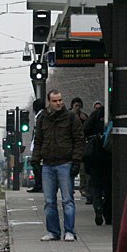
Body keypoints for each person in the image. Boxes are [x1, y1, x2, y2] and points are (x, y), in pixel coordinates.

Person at [32, 89, 84, 242]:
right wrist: (35, 160)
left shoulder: (70, 118)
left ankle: (69, 231)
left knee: (67, 200)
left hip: (65, 163)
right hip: (48, 164)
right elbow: (38, 140)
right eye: (55, 101)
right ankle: (53, 232)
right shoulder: (42, 119)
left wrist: (76, 161)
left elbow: (78, 140)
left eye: (60, 100)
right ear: (49, 102)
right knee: (49, 201)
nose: (58, 103)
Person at [83, 104, 111, 226]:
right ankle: (108, 214)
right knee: (110, 187)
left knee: (95, 186)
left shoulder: (97, 114)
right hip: (111, 157)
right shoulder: (118, 114)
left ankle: (98, 206)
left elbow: (84, 130)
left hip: (96, 157)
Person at [70, 97, 91, 203]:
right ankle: (70, 188)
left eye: (79, 106)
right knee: (70, 169)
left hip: (81, 146)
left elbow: (87, 129)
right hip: (69, 147)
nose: (77, 108)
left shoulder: (83, 117)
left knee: (83, 170)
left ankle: (84, 189)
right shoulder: (68, 116)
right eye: (76, 105)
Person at [27, 99, 44, 193]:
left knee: (36, 165)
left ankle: (39, 185)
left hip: (39, 145)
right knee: (36, 165)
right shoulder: (39, 116)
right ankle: (38, 184)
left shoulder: (41, 116)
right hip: (37, 144)